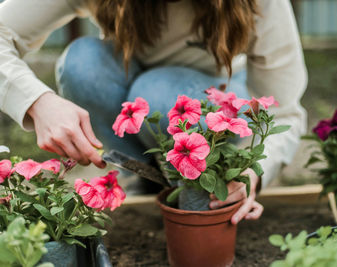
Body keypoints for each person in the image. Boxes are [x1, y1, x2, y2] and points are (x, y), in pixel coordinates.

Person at [0, 0, 307, 224]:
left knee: (157, 91)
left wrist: (251, 174)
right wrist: (37, 100)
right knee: (81, 64)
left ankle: (199, 194)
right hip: (133, 89)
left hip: (215, 98)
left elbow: (285, 113)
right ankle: (141, 176)